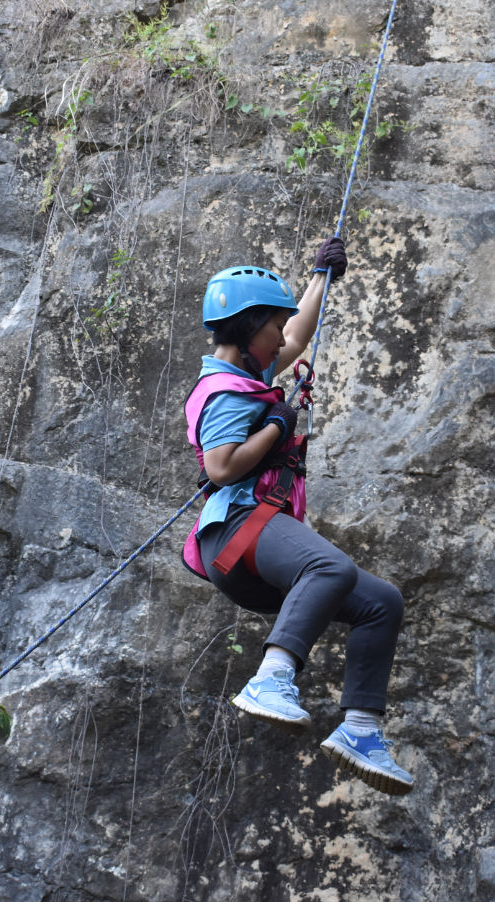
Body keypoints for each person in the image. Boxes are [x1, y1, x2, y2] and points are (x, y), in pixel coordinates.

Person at [181, 236, 414, 796]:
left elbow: (300, 332)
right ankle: (271, 679)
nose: (283, 337)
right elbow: (220, 467)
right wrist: (278, 426)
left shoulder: (252, 374)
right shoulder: (223, 388)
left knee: (381, 603)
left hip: (255, 543)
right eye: (273, 326)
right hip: (236, 533)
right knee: (329, 568)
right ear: (246, 327)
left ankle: (360, 728)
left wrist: (319, 276)